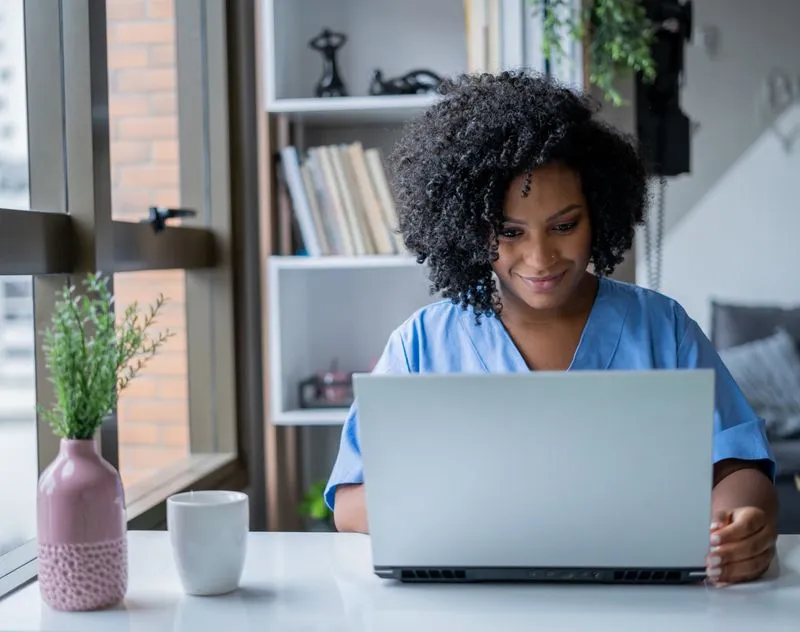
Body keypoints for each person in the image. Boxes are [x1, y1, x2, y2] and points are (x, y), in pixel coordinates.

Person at [324, 71, 777, 585]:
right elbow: (351, 500)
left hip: (641, 608)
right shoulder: (420, 344)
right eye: (510, 232)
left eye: (565, 225)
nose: (540, 258)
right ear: (468, 229)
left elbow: (739, 465)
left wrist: (741, 524)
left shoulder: (662, 328)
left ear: (600, 214)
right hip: (468, 611)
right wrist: (487, 513)